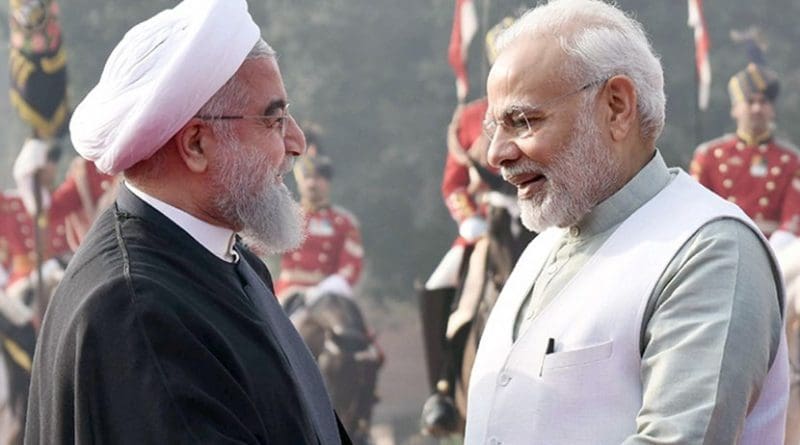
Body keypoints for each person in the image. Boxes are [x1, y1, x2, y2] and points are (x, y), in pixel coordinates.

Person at [25, 1, 351, 444]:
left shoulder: (227, 259)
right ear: (196, 143)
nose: (296, 142)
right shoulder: (137, 310)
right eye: (273, 119)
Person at [465, 1, 789, 444]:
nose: (495, 154)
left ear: (617, 107)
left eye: (522, 121)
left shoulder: (710, 250)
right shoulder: (542, 247)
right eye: (494, 128)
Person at [690, 60, 800, 250]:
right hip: (721, 246)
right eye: (750, 101)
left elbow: (794, 216)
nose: (757, 108)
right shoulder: (709, 156)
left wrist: (775, 252)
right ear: (735, 109)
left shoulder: (791, 161)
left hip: (776, 252)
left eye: (763, 102)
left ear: (772, 110)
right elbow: (695, 209)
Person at [274, 153, 364, 302]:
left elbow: (351, 265)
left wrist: (330, 287)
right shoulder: (285, 217)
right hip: (288, 292)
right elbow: (258, 250)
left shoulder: (343, 223)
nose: (311, 184)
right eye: (306, 178)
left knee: (352, 324)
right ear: (299, 181)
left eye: (317, 178)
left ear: (328, 182)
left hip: (327, 292)